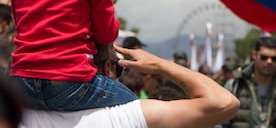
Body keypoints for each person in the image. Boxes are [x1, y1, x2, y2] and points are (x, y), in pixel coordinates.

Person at [20, 44, 240, 128]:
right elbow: (224, 103)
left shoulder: (16, 116)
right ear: (108, 68)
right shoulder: (125, 117)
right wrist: (159, 64)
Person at [223, 37, 276, 128]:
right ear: (254, 55)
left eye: (274, 58)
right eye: (264, 57)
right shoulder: (235, 85)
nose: (269, 61)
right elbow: (219, 121)